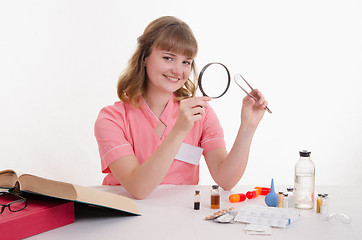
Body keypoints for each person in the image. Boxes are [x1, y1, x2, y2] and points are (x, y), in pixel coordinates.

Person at [94, 16, 268, 200]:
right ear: (144, 57)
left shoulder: (202, 113)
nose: (178, 71)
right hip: (125, 218)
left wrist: (248, 126)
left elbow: (226, 180)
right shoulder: (111, 119)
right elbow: (138, 189)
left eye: (186, 62)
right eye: (168, 58)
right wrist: (179, 130)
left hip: (182, 218)